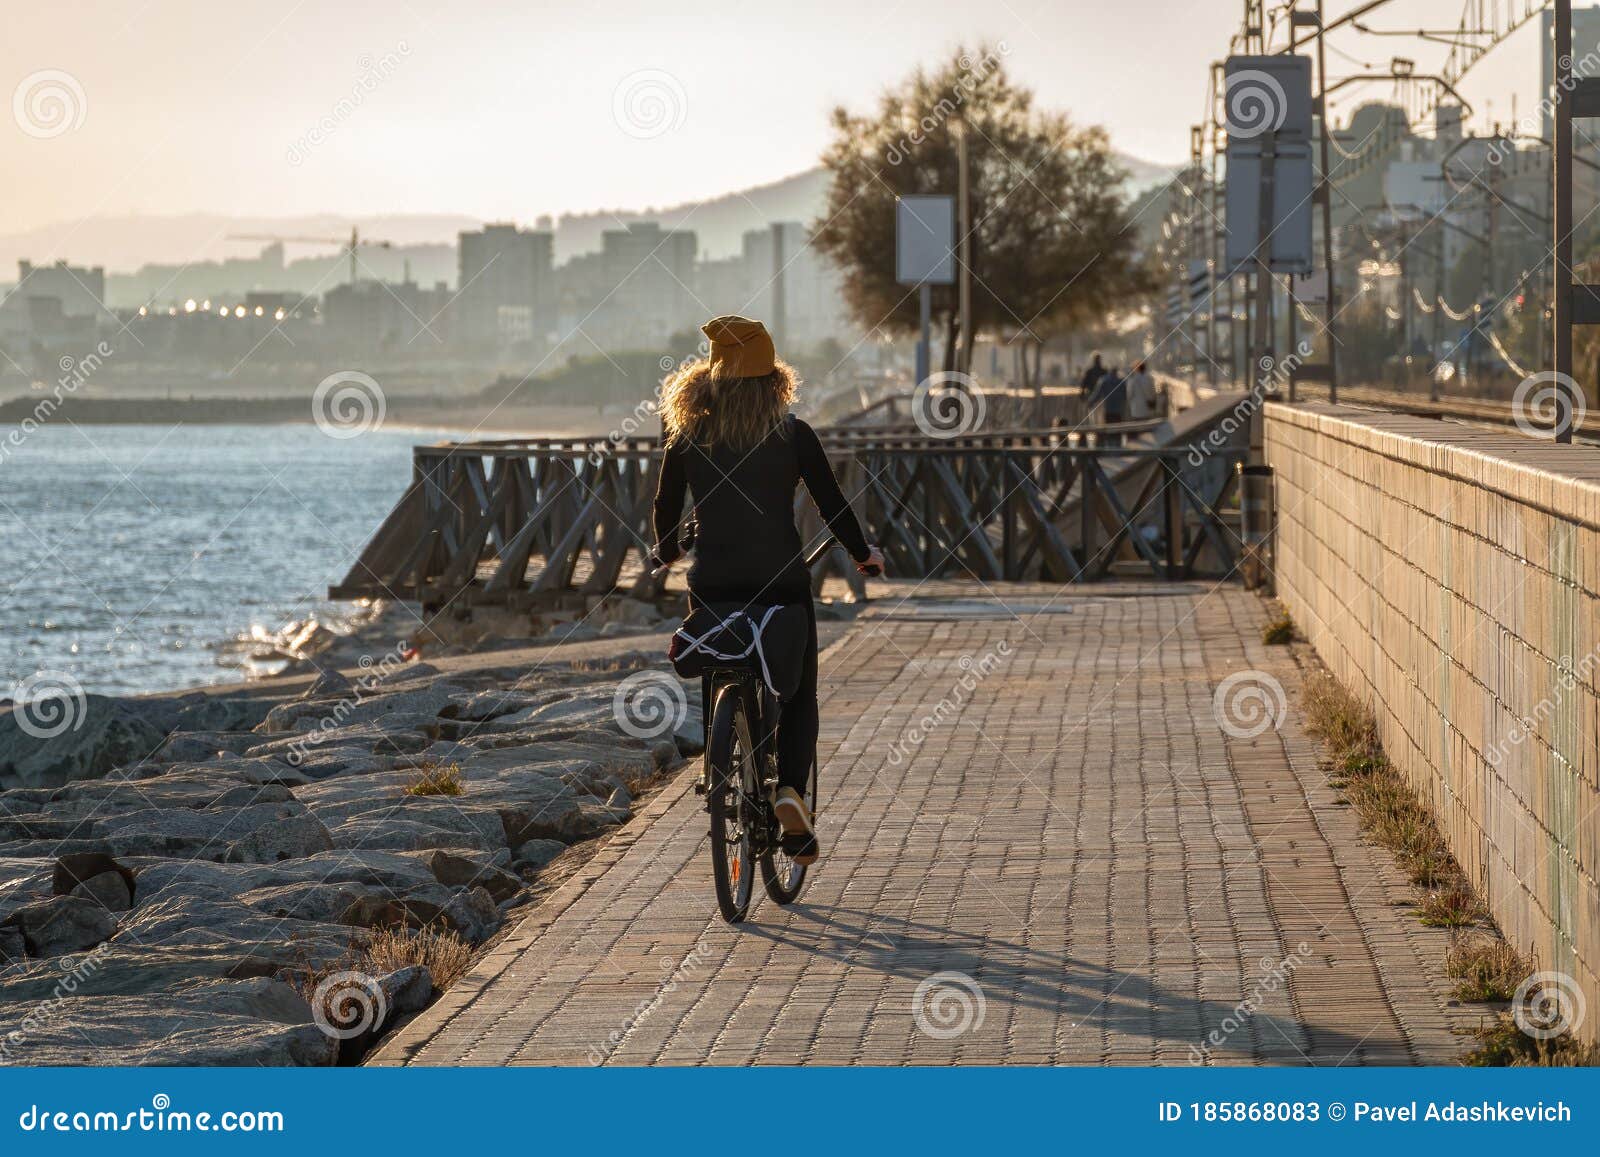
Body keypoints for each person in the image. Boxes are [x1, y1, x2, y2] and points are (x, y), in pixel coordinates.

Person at [650, 316, 884, 866]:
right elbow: (832, 504)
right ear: (773, 378)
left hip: (713, 585)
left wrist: (666, 549)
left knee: (721, 660)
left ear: (711, 376)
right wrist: (860, 552)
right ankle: (789, 796)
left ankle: (721, 760)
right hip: (781, 583)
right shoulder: (793, 434)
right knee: (799, 692)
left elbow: (665, 508)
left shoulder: (689, 436)